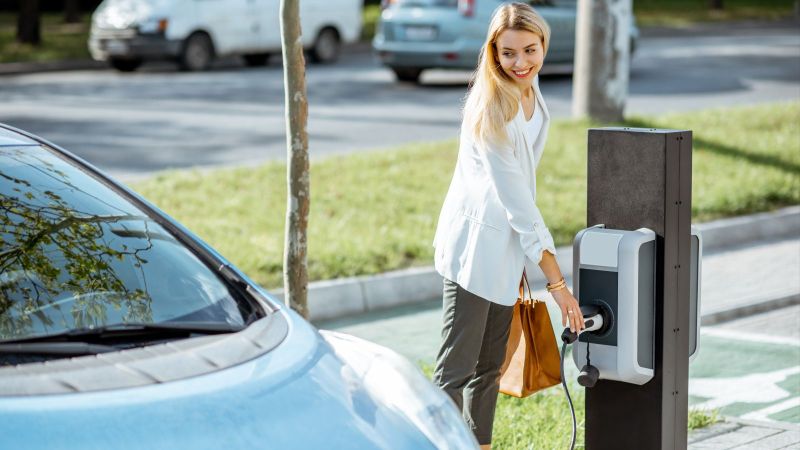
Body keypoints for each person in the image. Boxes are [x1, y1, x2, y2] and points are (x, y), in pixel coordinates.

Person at [431, 3, 586, 448]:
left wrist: (529, 260)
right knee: (455, 371)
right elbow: (517, 202)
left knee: (489, 368)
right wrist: (557, 285)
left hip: (507, 249)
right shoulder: (491, 109)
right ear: (493, 52)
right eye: (508, 53)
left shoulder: (531, 92)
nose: (520, 63)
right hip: (475, 249)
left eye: (529, 50)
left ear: (543, 45)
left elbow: (522, 197)